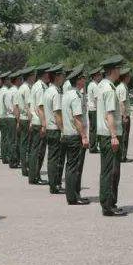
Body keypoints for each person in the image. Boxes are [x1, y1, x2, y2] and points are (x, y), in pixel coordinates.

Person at [97, 55, 127, 216]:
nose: (120, 71)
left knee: (108, 170)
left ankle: (109, 203)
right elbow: (109, 114)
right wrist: (114, 136)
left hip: (105, 134)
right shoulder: (109, 89)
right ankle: (108, 205)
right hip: (110, 135)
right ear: (113, 70)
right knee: (111, 171)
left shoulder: (102, 85)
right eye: (118, 68)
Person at [60, 65, 90, 205]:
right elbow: (78, 118)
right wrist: (84, 136)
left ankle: (73, 194)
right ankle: (73, 196)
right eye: (83, 78)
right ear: (78, 80)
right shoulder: (76, 96)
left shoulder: (67, 94)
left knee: (70, 166)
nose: (85, 80)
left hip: (68, 134)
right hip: (75, 136)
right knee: (75, 168)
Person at [42, 64, 65, 194]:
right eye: (61, 75)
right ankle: (55, 184)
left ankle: (53, 184)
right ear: (57, 77)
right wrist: (63, 130)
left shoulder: (48, 91)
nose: (63, 78)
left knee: (52, 157)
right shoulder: (55, 92)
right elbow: (57, 114)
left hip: (50, 128)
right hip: (55, 129)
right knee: (56, 159)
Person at [28, 64, 51, 185]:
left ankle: (34, 176)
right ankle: (35, 176)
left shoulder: (37, 85)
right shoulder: (41, 87)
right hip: (39, 122)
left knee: (35, 150)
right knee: (38, 152)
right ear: (45, 74)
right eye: (49, 74)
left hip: (36, 121)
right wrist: (44, 124)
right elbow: (40, 107)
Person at [18, 67, 34, 176]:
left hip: (22, 118)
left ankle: (24, 167)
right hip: (26, 119)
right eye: (33, 75)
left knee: (23, 143)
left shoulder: (21, 88)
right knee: (27, 145)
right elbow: (29, 106)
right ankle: (25, 168)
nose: (34, 77)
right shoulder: (27, 88)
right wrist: (31, 120)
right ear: (30, 76)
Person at [6, 70, 23, 169]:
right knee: (15, 141)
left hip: (9, 116)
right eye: (20, 79)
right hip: (13, 117)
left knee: (11, 139)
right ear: (16, 80)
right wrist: (18, 120)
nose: (21, 81)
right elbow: (16, 107)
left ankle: (11, 159)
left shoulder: (9, 91)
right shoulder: (16, 91)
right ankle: (13, 161)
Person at [115, 68, 132, 162]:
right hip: (123, 115)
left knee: (123, 136)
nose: (129, 78)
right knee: (124, 137)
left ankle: (122, 155)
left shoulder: (120, 87)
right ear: (125, 77)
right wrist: (125, 116)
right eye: (128, 76)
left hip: (120, 115)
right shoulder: (123, 88)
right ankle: (122, 156)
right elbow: (122, 103)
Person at [86, 68, 101, 154]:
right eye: (99, 75)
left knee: (92, 129)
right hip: (95, 109)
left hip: (91, 109)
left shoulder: (90, 84)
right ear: (95, 76)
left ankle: (92, 146)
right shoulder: (95, 86)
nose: (100, 77)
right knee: (94, 129)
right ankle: (93, 147)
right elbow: (97, 99)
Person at [0, 72, 9, 163]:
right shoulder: (6, 91)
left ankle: (4, 156)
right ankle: (5, 156)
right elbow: (8, 106)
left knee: (3, 138)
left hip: (0, 116)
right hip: (5, 116)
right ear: (6, 81)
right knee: (6, 138)